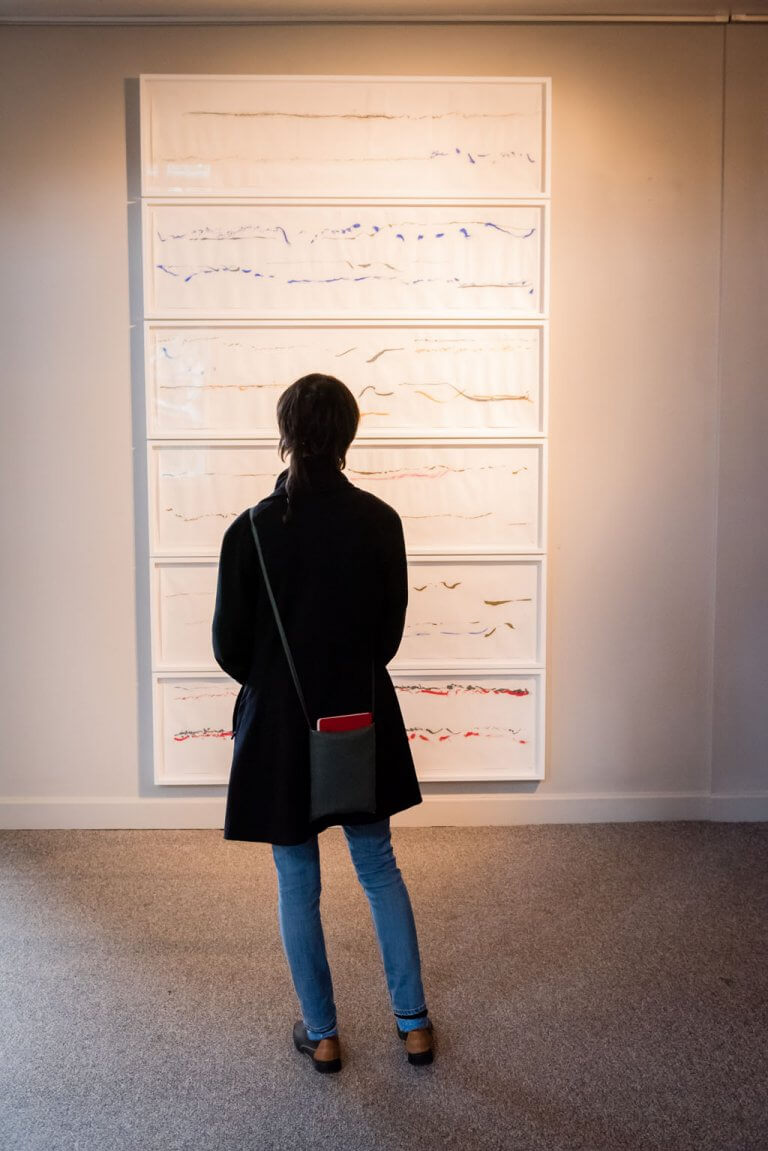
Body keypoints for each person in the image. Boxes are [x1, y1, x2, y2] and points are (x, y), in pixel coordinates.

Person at [211, 372, 434, 1073]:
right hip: (358, 712)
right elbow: (388, 637)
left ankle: (324, 1033)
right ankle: (414, 1024)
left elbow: (228, 647)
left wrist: (279, 682)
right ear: (348, 435)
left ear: (285, 434)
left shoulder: (251, 530)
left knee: (296, 876)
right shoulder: (381, 520)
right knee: (378, 865)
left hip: (282, 724)